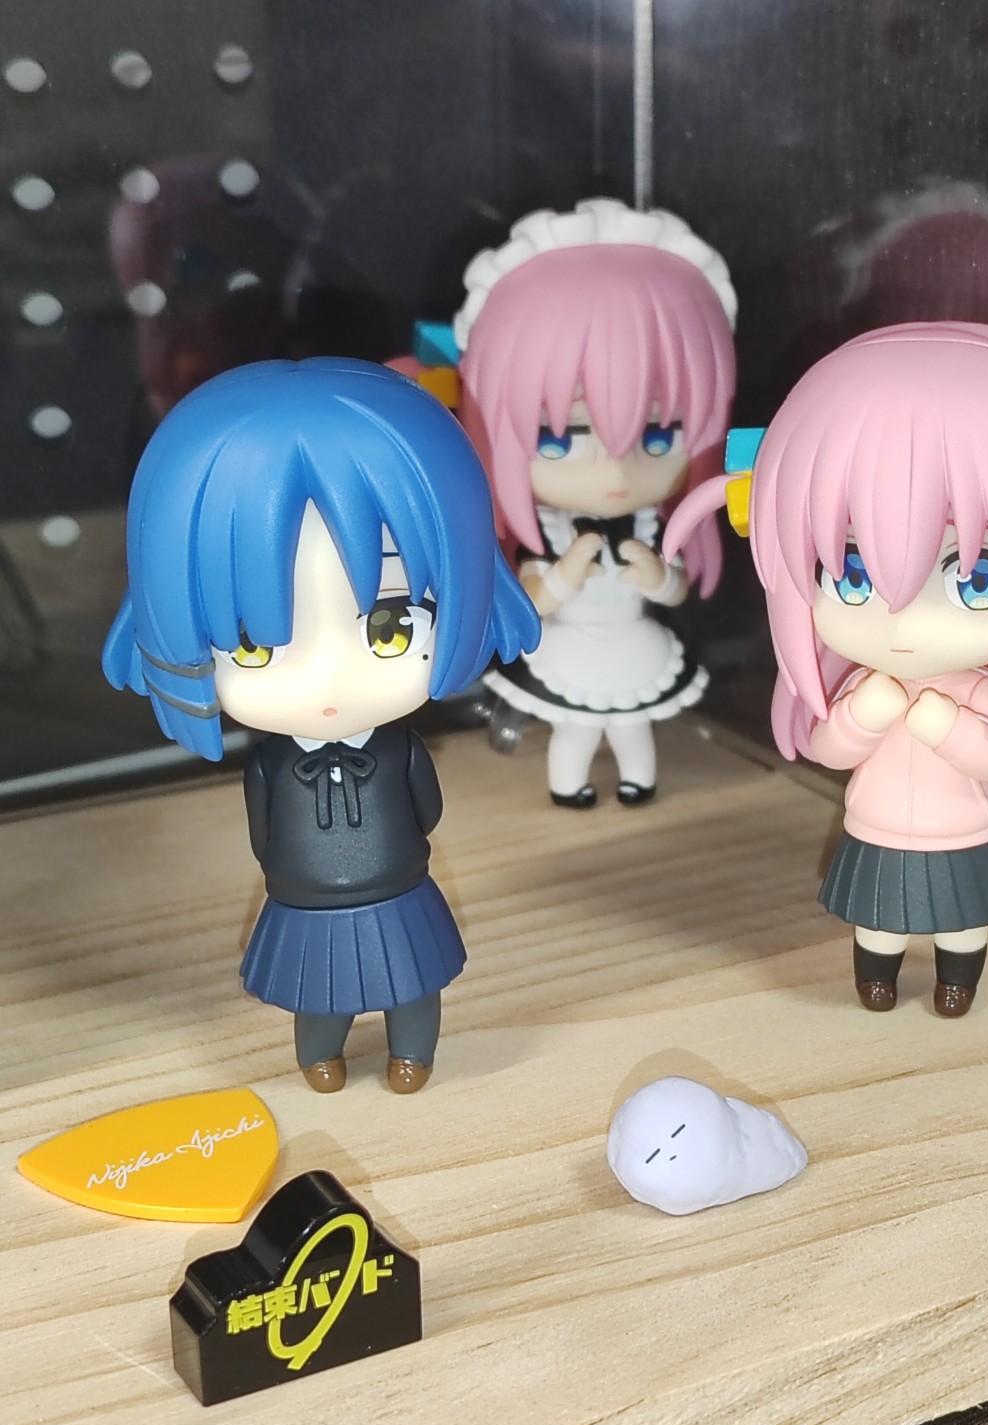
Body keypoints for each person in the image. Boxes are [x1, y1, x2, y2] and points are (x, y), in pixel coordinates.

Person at [665, 322, 988, 1015]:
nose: (901, 618)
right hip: (878, 827)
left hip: (965, 832)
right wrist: (860, 718)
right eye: (851, 574)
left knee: (963, 921)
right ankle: (876, 979)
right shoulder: (864, 685)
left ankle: (957, 981)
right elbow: (830, 748)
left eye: (972, 580)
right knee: (878, 922)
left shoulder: (982, 691)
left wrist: (952, 729)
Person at [103, 357, 539, 1089]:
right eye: (253, 644)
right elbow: (268, 834)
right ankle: (320, 1056)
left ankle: (411, 1054)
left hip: (399, 888)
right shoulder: (272, 765)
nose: (329, 680)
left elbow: (424, 812)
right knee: (318, 993)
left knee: (414, 984)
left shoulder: (397, 748)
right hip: (305, 901)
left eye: (390, 627)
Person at [456, 198, 737, 807]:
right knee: (577, 729)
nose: (614, 469)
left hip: (635, 642)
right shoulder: (550, 531)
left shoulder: (651, 523)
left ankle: (638, 782)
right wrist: (564, 576)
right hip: (571, 648)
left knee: (633, 726)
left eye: (658, 434)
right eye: (560, 438)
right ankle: (570, 786)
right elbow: (530, 602)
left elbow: (676, 590)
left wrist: (659, 578)